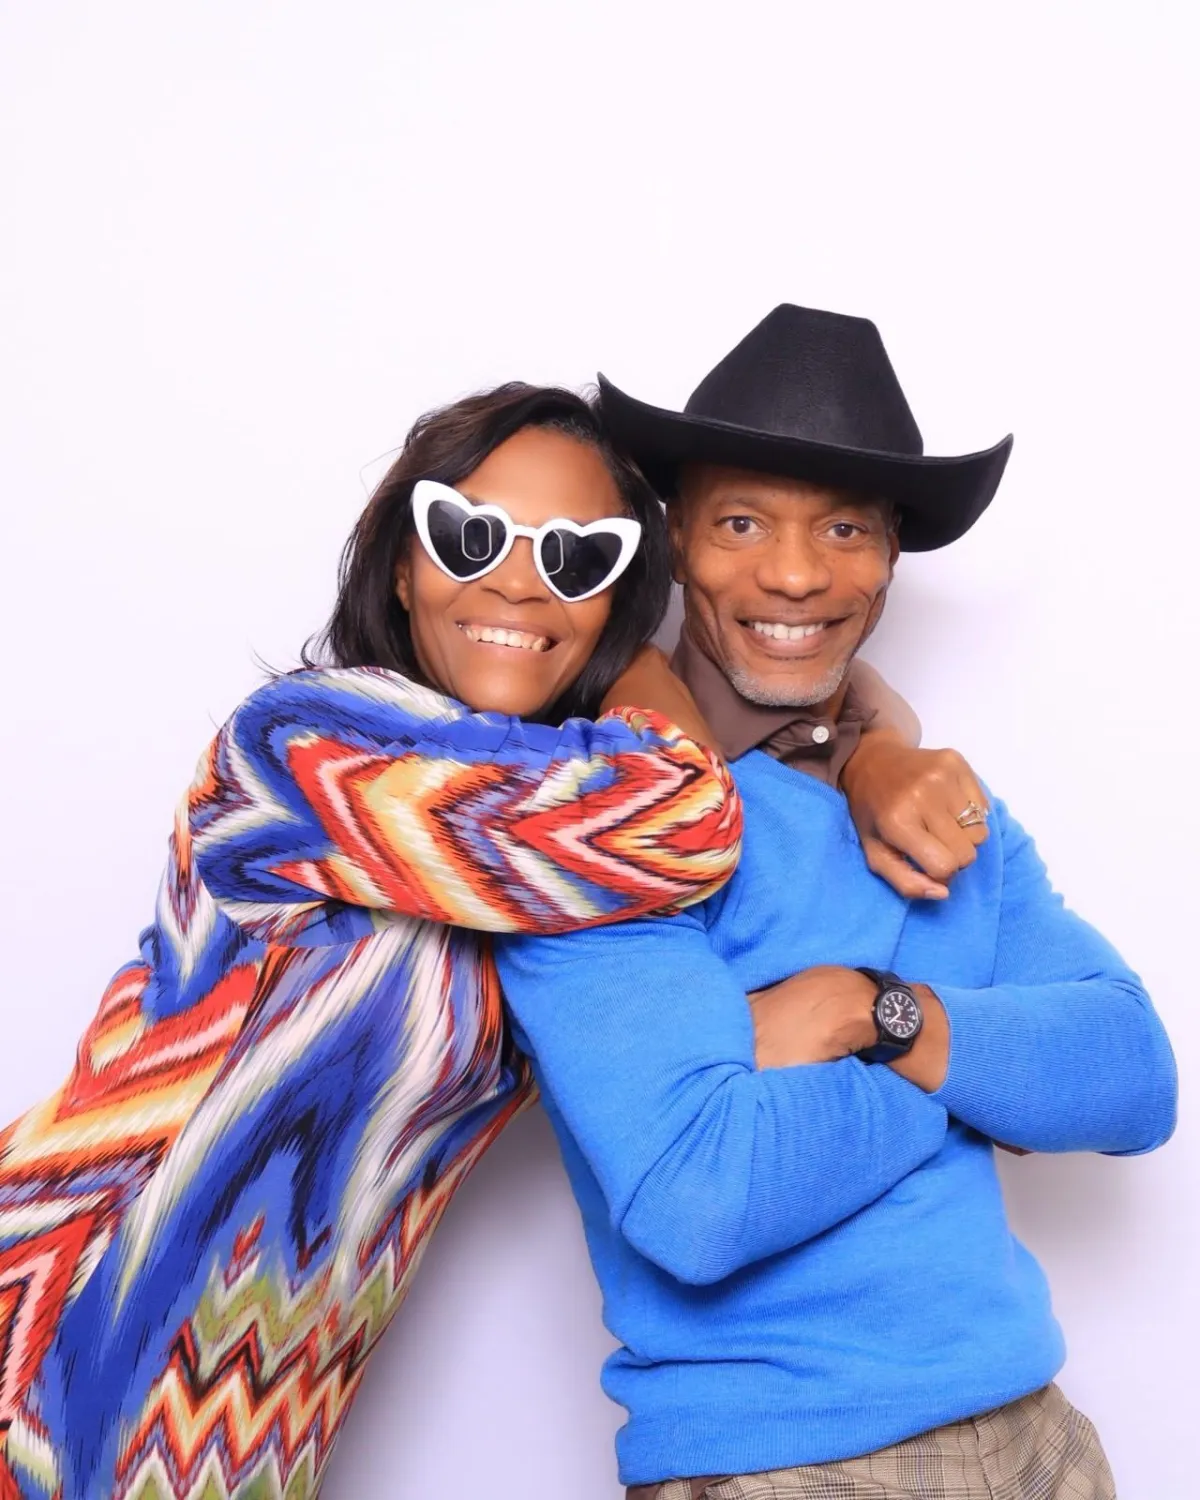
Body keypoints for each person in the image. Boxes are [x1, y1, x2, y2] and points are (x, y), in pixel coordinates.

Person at [0, 380, 969, 1500]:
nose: (517, 577)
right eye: (470, 537)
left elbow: (632, 1044)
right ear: (403, 563)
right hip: (52, 1348)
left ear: (613, 597)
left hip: (252, 1426)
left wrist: (865, 750)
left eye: (575, 558)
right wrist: (849, 738)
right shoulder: (306, 748)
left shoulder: (540, 876)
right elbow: (686, 825)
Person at [494, 307, 1179, 1500]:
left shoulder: (934, 807)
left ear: (892, 556)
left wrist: (879, 1012)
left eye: (846, 527)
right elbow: (699, 1197)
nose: (799, 573)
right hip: (790, 1460)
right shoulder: (603, 822)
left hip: (1043, 1434)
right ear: (676, 544)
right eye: (744, 521)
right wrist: (978, 1087)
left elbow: (1134, 1076)